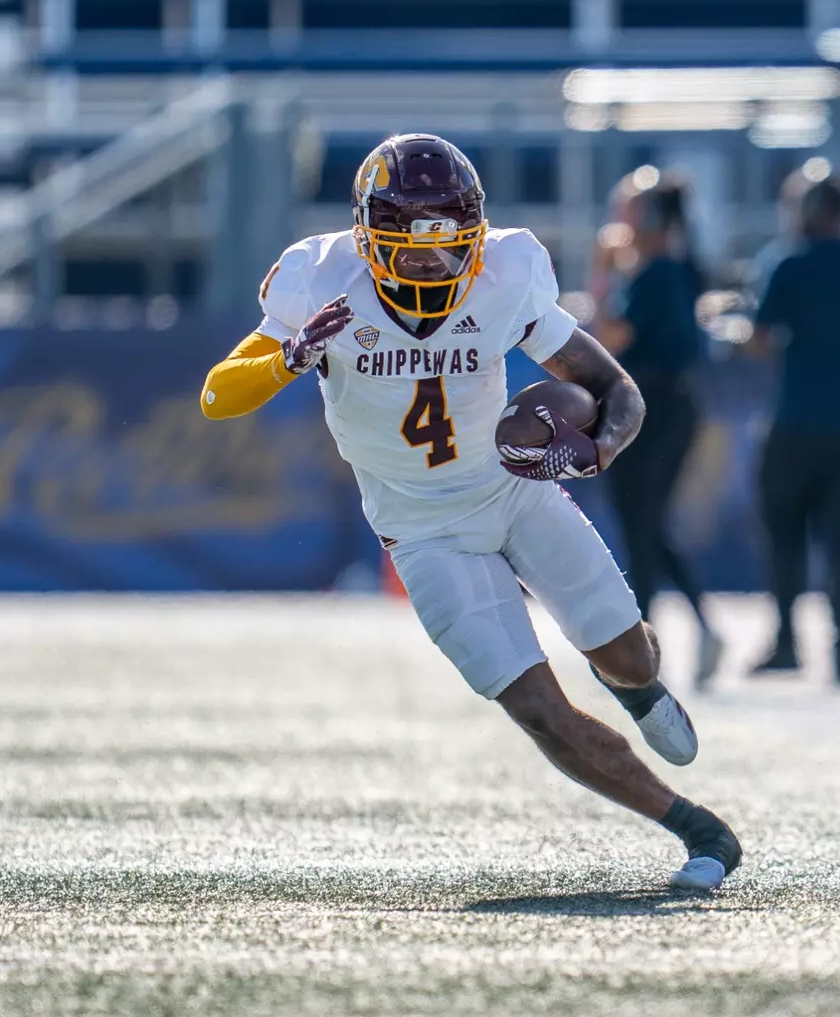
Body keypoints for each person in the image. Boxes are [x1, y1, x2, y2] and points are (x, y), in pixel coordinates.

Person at [199, 134, 741, 889]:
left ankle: (642, 692)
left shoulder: (504, 273)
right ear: (364, 236)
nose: (428, 262)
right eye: (406, 245)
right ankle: (697, 828)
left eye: (449, 245)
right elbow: (218, 394)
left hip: (514, 491)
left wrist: (593, 453)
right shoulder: (319, 280)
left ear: (476, 235)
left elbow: (618, 392)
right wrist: (286, 359)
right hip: (423, 533)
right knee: (538, 708)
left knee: (627, 656)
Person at [747, 167, 840, 687]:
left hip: (798, 421)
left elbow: (760, 337)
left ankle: (787, 642)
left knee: (785, 534)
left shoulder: (787, 262)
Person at [592, 167, 725, 691]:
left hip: (656, 407)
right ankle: (674, 633)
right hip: (671, 405)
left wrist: (601, 273)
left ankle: (645, 648)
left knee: (641, 522)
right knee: (645, 523)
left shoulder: (653, 274)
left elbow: (612, 337)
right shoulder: (671, 267)